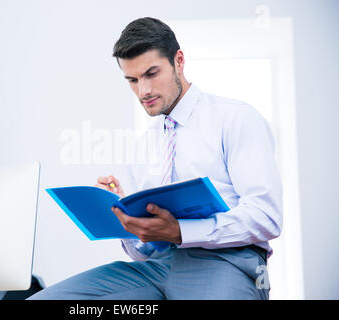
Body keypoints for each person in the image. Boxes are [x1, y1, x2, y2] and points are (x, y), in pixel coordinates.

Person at [29, 17, 282, 300]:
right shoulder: (145, 144)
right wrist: (127, 222)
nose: (143, 91)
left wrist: (181, 231)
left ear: (179, 61)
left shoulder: (236, 118)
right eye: (133, 80)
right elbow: (144, 251)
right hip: (155, 269)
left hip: (225, 262)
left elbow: (266, 218)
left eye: (151, 73)